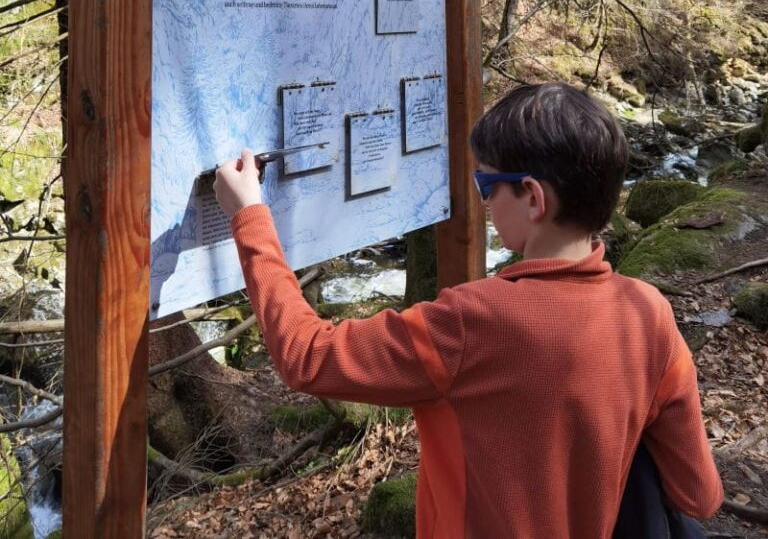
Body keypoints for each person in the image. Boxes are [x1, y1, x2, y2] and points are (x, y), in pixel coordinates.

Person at [214, 82, 723, 538]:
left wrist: (250, 216)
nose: (484, 202)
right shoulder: (649, 313)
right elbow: (699, 495)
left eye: (486, 187)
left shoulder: (471, 323)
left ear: (531, 197)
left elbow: (308, 354)